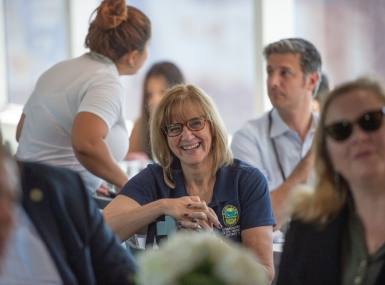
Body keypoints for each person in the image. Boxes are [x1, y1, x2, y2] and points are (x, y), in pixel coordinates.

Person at [103, 83, 276, 283]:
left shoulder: (247, 181)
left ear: (213, 126)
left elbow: (264, 275)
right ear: (164, 137)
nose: (186, 136)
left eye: (195, 123)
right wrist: (162, 206)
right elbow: (100, 230)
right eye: (174, 128)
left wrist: (212, 245)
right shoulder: (154, 179)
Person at [15, 0, 151, 196]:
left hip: (26, 187)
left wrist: (89, 178)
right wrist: (126, 184)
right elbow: (86, 144)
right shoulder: (105, 82)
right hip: (54, 197)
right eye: (148, 47)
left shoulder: (59, 69)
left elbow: (22, 133)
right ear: (132, 56)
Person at [276, 78, 385, 285]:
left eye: (370, 121)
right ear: (328, 155)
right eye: (341, 130)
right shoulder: (305, 229)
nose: (359, 137)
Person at [0, 145, 137, 284]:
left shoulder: (59, 189)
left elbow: (119, 270)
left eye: (13, 198)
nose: (9, 216)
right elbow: (85, 143)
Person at [230, 38, 321, 231]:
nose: (273, 82)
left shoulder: (336, 132)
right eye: (270, 72)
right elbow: (261, 221)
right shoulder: (248, 138)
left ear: (311, 81)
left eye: (285, 73)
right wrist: (312, 158)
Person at [126, 61, 185, 161]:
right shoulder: (140, 125)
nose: (154, 100)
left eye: (162, 92)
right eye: (149, 95)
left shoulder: (189, 127)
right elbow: (130, 163)